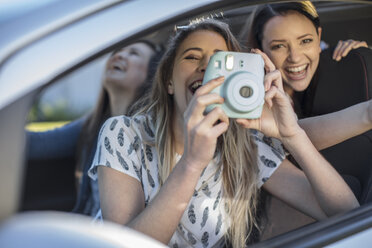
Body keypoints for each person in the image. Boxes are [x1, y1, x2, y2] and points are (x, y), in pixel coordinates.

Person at [88, 19, 359, 248]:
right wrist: (192, 162)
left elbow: (347, 214)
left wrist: (292, 136)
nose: (206, 67)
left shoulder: (247, 147)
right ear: (169, 81)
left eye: (220, 61)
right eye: (192, 57)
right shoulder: (123, 133)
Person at [27, 40, 163, 216]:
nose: (119, 55)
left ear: (152, 74)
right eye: (119, 50)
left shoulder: (154, 132)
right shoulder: (92, 125)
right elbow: (38, 143)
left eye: (133, 53)